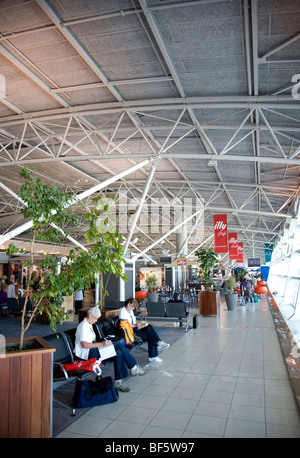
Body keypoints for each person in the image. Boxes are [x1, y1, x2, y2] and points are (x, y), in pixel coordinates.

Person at [74, 306, 148, 392]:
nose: (96, 321)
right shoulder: (83, 326)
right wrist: (101, 344)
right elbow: (85, 345)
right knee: (119, 345)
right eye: (95, 318)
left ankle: (118, 380)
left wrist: (101, 344)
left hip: (93, 350)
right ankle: (133, 368)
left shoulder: (88, 324)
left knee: (118, 352)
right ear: (90, 315)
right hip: (87, 354)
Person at [119, 298, 170, 363]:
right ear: (128, 305)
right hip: (130, 331)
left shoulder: (130, 311)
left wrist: (139, 323)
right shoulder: (123, 312)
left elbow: (132, 321)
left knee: (149, 327)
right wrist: (135, 325)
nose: (133, 309)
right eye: (133, 307)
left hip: (135, 327)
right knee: (151, 335)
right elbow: (125, 326)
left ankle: (158, 344)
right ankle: (153, 354)